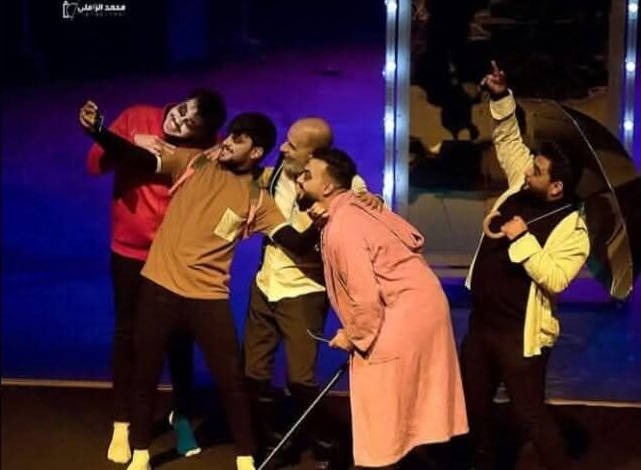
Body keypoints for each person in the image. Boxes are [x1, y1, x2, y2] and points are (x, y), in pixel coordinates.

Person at [80, 102, 326, 470]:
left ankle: (246, 460)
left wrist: (326, 216)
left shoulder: (258, 199)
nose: (227, 142)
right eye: (229, 135)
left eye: (238, 139)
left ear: (255, 151)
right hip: (158, 288)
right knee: (145, 373)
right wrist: (99, 132)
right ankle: (141, 454)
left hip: (207, 298)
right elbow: (137, 157)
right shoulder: (192, 163)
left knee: (232, 381)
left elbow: (294, 241)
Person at [295, 148, 468, 469]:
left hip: (402, 314)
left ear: (328, 187)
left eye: (307, 175)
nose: (299, 180)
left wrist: (353, 335)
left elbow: (365, 296)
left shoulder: (344, 224)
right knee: (406, 408)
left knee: (381, 415)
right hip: (423, 307)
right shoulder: (356, 209)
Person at [82, 89, 227, 463]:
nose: (179, 120)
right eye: (182, 110)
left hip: (175, 256)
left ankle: (182, 415)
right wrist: (128, 138)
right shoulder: (136, 115)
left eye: (190, 124)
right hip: (129, 251)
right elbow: (95, 163)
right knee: (127, 333)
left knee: (179, 338)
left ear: (201, 134)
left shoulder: (209, 149)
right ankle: (121, 422)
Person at [460, 61, 590, 470]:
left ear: (556, 187)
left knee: (529, 414)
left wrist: (523, 239)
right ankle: (483, 460)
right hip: (482, 322)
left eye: (537, 170)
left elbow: (557, 278)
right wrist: (501, 97)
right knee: (474, 405)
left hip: (519, 333)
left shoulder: (574, 227)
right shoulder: (522, 182)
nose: (528, 169)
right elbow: (508, 141)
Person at [243, 117, 379, 469]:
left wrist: (371, 201)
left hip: (303, 289)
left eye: (292, 144)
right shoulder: (277, 172)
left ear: (315, 154)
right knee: (254, 373)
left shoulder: (343, 185)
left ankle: (326, 439)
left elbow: (363, 203)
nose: (283, 148)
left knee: (300, 379)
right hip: (266, 283)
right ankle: (274, 441)